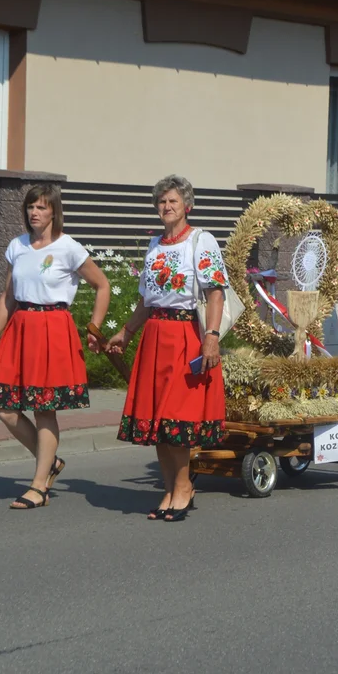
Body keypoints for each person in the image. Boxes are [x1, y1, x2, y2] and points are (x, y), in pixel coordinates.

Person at [0, 184, 111, 510]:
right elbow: (8, 298)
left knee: (43, 408)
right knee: (6, 408)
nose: (34, 213)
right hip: (21, 328)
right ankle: (48, 461)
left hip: (53, 328)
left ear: (54, 211)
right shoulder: (18, 246)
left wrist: (94, 328)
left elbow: (102, 284)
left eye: (41, 207)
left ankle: (39, 486)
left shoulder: (68, 248)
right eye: (30, 207)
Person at [108, 175, 228, 522]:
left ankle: (184, 488)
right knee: (159, 423)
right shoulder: (155, 246)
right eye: (161, 202)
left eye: (173, 201)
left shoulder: (201, 242)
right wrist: (127, 332)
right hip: (155, 337)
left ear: (186, 205)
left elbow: (215, 292)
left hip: (185, 334)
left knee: (177, 419)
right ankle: (170, 488)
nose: (166, 207)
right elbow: (147, 300)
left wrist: (212, 336)